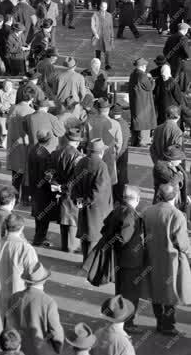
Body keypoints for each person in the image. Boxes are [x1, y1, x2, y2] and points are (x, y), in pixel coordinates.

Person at [143, 183, 191, 336]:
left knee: (156, 289)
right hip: (171, 260)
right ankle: (168, 325)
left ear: (158, 195)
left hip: (151, 256)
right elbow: (182, 243)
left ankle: (159, 322)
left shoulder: (147, 211)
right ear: (175, 196)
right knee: (170, 292)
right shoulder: (177, 215)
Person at [99, 185, 145, 333]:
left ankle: (119, 318)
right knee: (130, 293)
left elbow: (105, 228)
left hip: (120, 259)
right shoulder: (130, 215)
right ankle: (128, 323)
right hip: (131, 260)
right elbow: (124, 238)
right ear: (137, 199)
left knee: (120, 291)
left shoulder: (117, 209)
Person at [0, 213, 38, 345]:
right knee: (15, 335)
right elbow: (35, 277)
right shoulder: (26, 249)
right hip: (18, 294)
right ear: (22, 228)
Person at [4, 263, 63, 355]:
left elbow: (7, 327)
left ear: (26, 281)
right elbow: (56, 333)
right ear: (44, 281)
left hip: (18, 350)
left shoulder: (13, 298)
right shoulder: (48, 302)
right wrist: (57, 350)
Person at [73, 138, 113, 259]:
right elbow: (99, 190)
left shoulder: (81, 162)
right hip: (97, 208)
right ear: (101, 151)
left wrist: (78, 200)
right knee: (94, 237)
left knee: (86, 234)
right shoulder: (101, 166)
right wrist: (87, 201)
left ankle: (86, 260)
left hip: (83, 203)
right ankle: (89, 266)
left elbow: (74, 183)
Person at [127, 57, 157, 147]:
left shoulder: (133, 74)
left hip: (136, 101)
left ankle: (135, 141)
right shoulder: (142, 75)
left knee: (136, 121)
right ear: (143, 66)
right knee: (144, 121)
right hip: (143, 103)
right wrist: (151, 79)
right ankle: (143, 141)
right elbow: (149, 87)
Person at [91, 1, 114, 70]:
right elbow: (93, 26)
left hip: (107, 36)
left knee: (107, 51)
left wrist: (112, 37)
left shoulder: (109, 15)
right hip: (98, 36)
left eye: (105, 7)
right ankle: (97, 65)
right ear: (100, 7)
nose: (104, 8)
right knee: (98, 51)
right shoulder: (95, 15)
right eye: (103, 7)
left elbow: (111, 27)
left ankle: (107, 64)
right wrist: (95, 34)